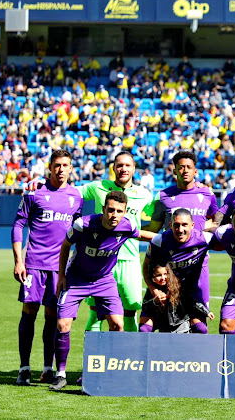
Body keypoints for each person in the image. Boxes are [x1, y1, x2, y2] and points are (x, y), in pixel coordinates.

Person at [28, 152, 155, 333]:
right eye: (119, 165)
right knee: (95, 313)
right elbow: (67, 190)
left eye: (128, 165)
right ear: (113, 168)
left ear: (134, 168)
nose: (123, 169)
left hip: (129, 261)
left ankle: (128, 356)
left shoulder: (145, 195)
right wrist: (44, 185)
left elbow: (156, 218)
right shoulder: (98, 187)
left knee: (130, 311)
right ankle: (92, 357)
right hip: (98, 262)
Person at [50, 191, 156, 391]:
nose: (114, 215)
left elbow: (142, 235)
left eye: (119, 211)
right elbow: (65, 245)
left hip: (105, 281)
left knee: (118, 324)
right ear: (103, 210)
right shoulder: (83, 224)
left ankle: (107, 371)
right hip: (77, 279)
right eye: (110, 210)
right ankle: (61, 374)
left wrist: (168, 239)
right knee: (63, 324)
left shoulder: (128, 225)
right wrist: (61, 276)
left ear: (125, 212)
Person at [12, 149, 83, 386]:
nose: (61, 169)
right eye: (57, 165)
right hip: (32, 265)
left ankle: (47, 368)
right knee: (29, 313)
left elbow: (79, 234)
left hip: (59, 269)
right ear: (50, 167)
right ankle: (24, 368)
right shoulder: (35, 192)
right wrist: (18, 260)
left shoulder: (77, 196)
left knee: (52, 317)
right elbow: (18, 224)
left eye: (65, 165)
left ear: (71, 168)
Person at [144, 209, 214, 333]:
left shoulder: (205, 239)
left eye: (184, 225)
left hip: (190, 293)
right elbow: (146, 267)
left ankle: (192, 352)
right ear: (170, 225)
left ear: (192, 225)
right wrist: (153, 290)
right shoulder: (159, 241)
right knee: (145, 329)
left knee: (201, 329)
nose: (180, 229)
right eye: (176, 225)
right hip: (164, 291)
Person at [148, 151, 219, 232]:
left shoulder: (207, 193)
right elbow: (153, 229)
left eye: (189, 167)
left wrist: (203, 226)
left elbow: (216, 220)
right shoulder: (162, 195)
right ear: (175, 171)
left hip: (200, 245)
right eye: (181, 167)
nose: (185, 170)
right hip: (172, 245)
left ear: (195, 171)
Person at [139, 262, 213, 333]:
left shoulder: (177, 285)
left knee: (201, 328)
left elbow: (190, 301)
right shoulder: (151, 290)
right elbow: (145, 307)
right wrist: (155, 302)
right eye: (159, 275)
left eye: (165, 274)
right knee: (144, 329)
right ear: (153, 276)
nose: (163, 278)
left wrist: (206, 312)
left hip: (180, 323)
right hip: (161, 321)